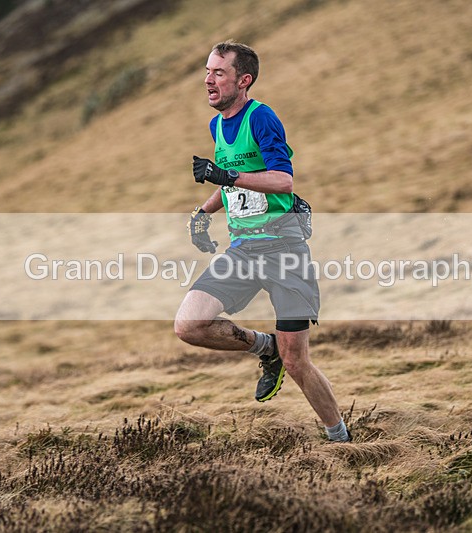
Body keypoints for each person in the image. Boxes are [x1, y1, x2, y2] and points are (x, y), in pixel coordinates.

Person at [174, 40, 350, 442]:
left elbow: (282, 180)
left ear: (244, 79)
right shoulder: (217, 125)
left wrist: (225, 177)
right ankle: (261, 347)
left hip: (284, 250)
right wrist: (203, 214)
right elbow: (234, 177)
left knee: (297, 361)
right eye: (207, 71)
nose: (208, 80)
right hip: (244, 249)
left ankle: (338, 437)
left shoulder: (262, 118)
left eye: (219, 73)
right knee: (189, 324)